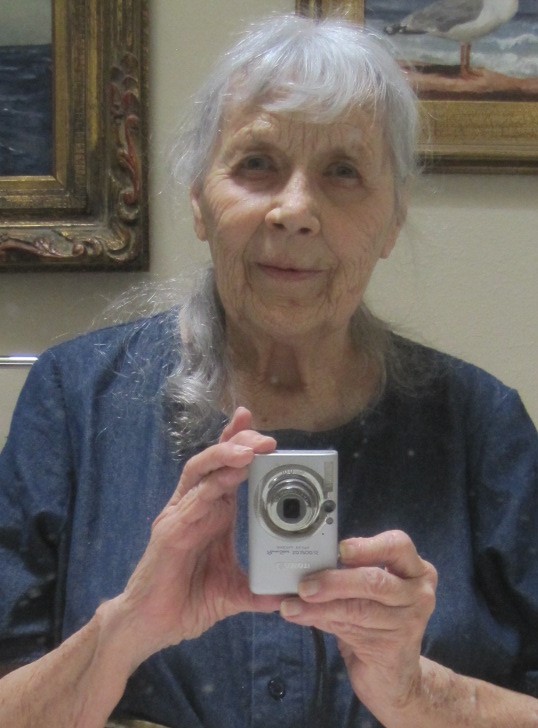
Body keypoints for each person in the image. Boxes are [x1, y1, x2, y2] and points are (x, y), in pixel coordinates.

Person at [0, 13, 537, 728]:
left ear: (393, 219)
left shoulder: (483, 429)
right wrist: (123, 631)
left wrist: (418, 694)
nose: (295, 210)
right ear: (199, 199)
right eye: (256, 164)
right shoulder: (74, 402)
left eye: (343, 172)